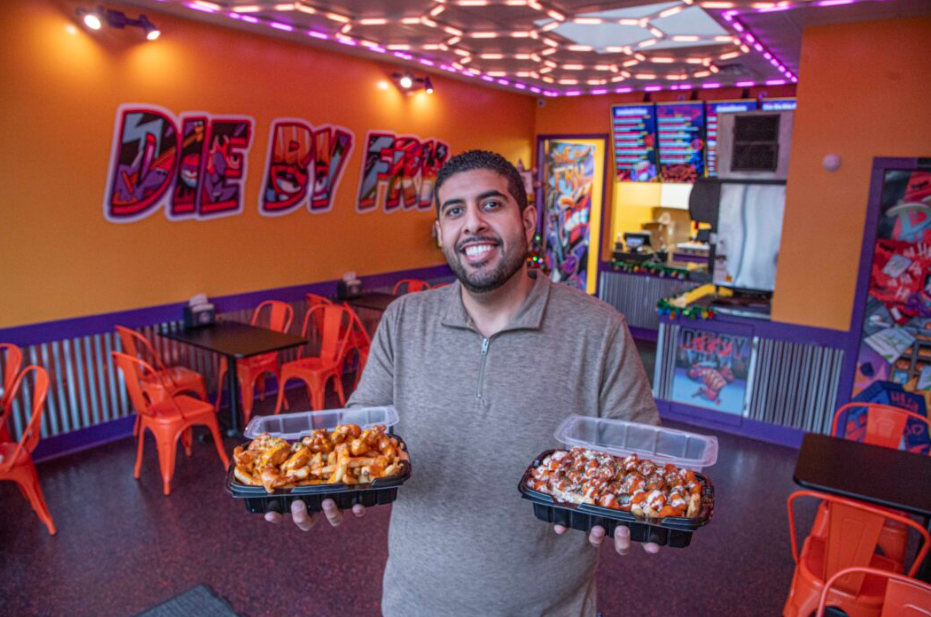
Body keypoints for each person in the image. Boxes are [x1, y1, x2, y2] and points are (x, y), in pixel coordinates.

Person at [266, 150, 661, 616]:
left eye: (491, 204)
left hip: (552, 608)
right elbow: (360, 426)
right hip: (414, 605)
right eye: (455, 211)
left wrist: (626, 507)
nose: (472, 223)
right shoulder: (404, 320)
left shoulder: (599, 329)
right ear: (440, 233)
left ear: (527, 220)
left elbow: (641, 453)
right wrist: (317, 482)